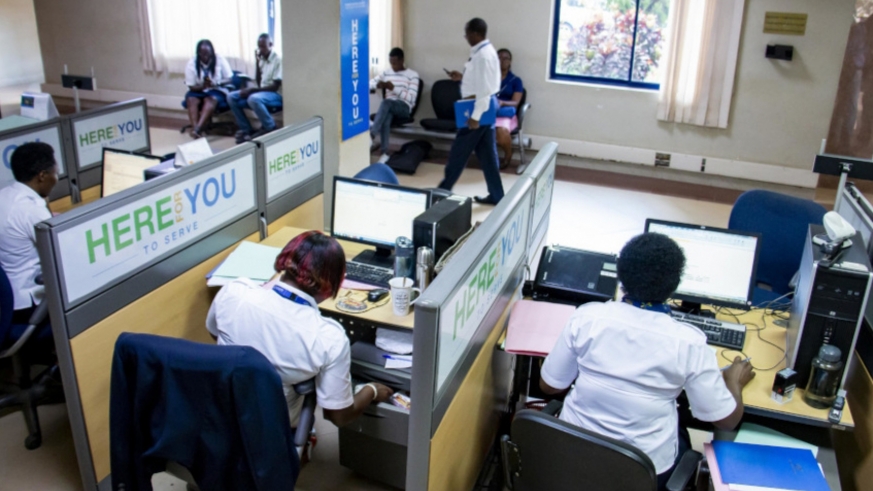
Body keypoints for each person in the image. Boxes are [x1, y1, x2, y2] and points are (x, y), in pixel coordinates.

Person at [539, 232, 755, 490]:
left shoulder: (587, 319)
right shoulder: (688, 343)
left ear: (620, 277)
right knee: (681, 432)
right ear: (674, 284)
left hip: (573, 457)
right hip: (642, 473)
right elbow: (726, 420)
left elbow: (549, 387)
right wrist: (734, 382)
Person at [207, 231, 394, 428]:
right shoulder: (329, 338)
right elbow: (338, 416)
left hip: (220, 413)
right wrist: (371, 390)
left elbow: (214, 332)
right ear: (330, 284)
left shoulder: (234, 292)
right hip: (272, 428)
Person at [439, 18, 505, 206]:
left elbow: (484, 90)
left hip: (479, 108)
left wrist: (475, 117)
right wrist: (462, 77)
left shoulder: (483, 55)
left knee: (458, 153)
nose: (465, 37)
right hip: (484, 105)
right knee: (487, 156)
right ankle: (497, 195)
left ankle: (442, 191)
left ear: (475, 33)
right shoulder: (485, 51)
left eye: (467, 33)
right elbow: (481, 82)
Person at [0, 142, 58, 325]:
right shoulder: (31, 211)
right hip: (29, 304)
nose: (56, 178)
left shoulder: (5, 195)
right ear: (42, 176)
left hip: (7, 298)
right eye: (54, 173)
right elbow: (63, 253)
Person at [229, 33, 283, 144]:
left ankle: (270, 127)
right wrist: (258, 63)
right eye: (259, 47)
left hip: (275, 94)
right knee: (231, 97)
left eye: (263, 46)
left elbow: (275, 86)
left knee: (253, 98)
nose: (261, 50)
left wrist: (252, 90)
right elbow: (259, 83)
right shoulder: (262, 59)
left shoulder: (278, 60)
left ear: (271, 44)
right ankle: (246, 129)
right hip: (262, 92)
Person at [369, 48, 420, 163]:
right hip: (389, 107)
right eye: (391, 63)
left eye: (395, 63)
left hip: (404, 108)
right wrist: (377, 85)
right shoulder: (387, 73)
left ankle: (371, 135)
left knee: (386, 103)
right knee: (387, 115)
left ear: (402, 60)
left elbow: (411, 99)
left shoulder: (412, 75)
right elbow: (370, 84)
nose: (393, 66)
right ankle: (385, 153)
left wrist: (393, 88)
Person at [184, 39, 234, 139]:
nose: (206, 57)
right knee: (191, 99)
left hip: (217, 89)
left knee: (210, 99)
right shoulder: (192, 63)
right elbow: (191, 86)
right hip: (199, 89)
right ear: (198, 53)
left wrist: (217, 82)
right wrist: (203, 87)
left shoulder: (219, 59)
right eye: (203, 54)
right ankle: (195, 129)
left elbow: (229, 79)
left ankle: (197, 129)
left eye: (208, 54)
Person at [495, 48, 523, 169]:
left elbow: (515, 102)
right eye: (499, 58)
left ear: (510, 61)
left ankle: (508, 154)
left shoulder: (516, 81)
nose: (502, 61)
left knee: (501, 130)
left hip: (505, 114)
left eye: (505, 58)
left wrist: (502, 103)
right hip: (489, 112)